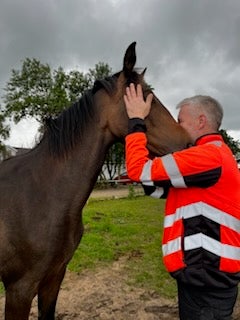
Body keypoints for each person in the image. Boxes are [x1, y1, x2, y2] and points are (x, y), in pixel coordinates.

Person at [124, 83, 240, 320]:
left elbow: (138, 170)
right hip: (205, 275)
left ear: (200, 121)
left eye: (180, 121)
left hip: (206, 279)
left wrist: (136, 121)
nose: (176, 127)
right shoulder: (213, 159)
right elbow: (158, 188)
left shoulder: (207, 157)